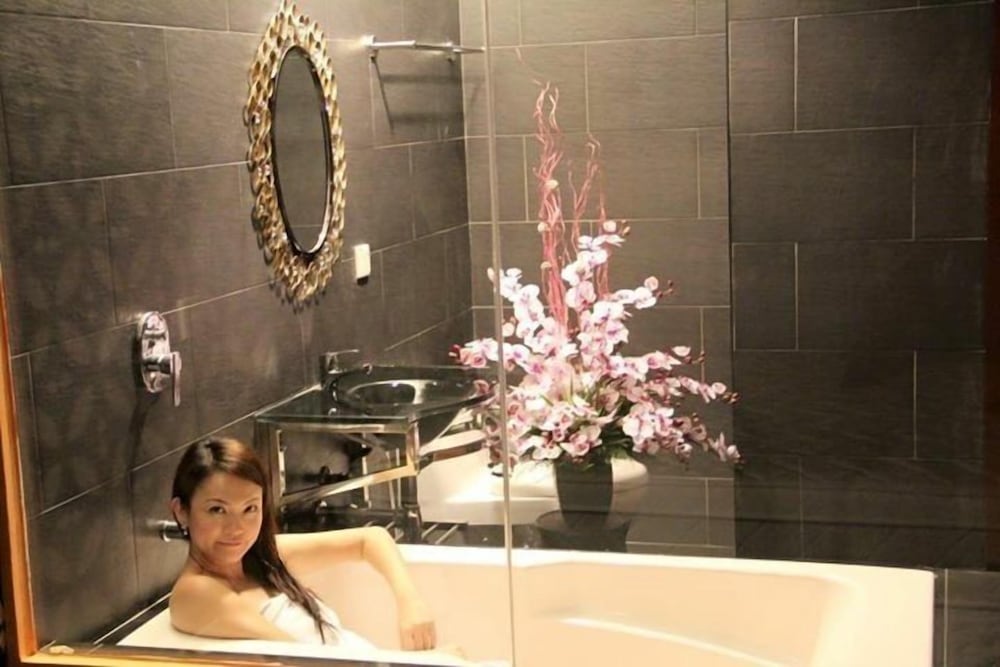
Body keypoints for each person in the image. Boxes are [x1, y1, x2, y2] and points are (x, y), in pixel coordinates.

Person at [168, 436, 439, 653]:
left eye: (250, 508)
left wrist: (411, 604)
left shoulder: (261, 558)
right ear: (182, 512)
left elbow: (370, 540)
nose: (237, 528)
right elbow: (300, 660)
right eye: (217, 510)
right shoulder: (195, 592)